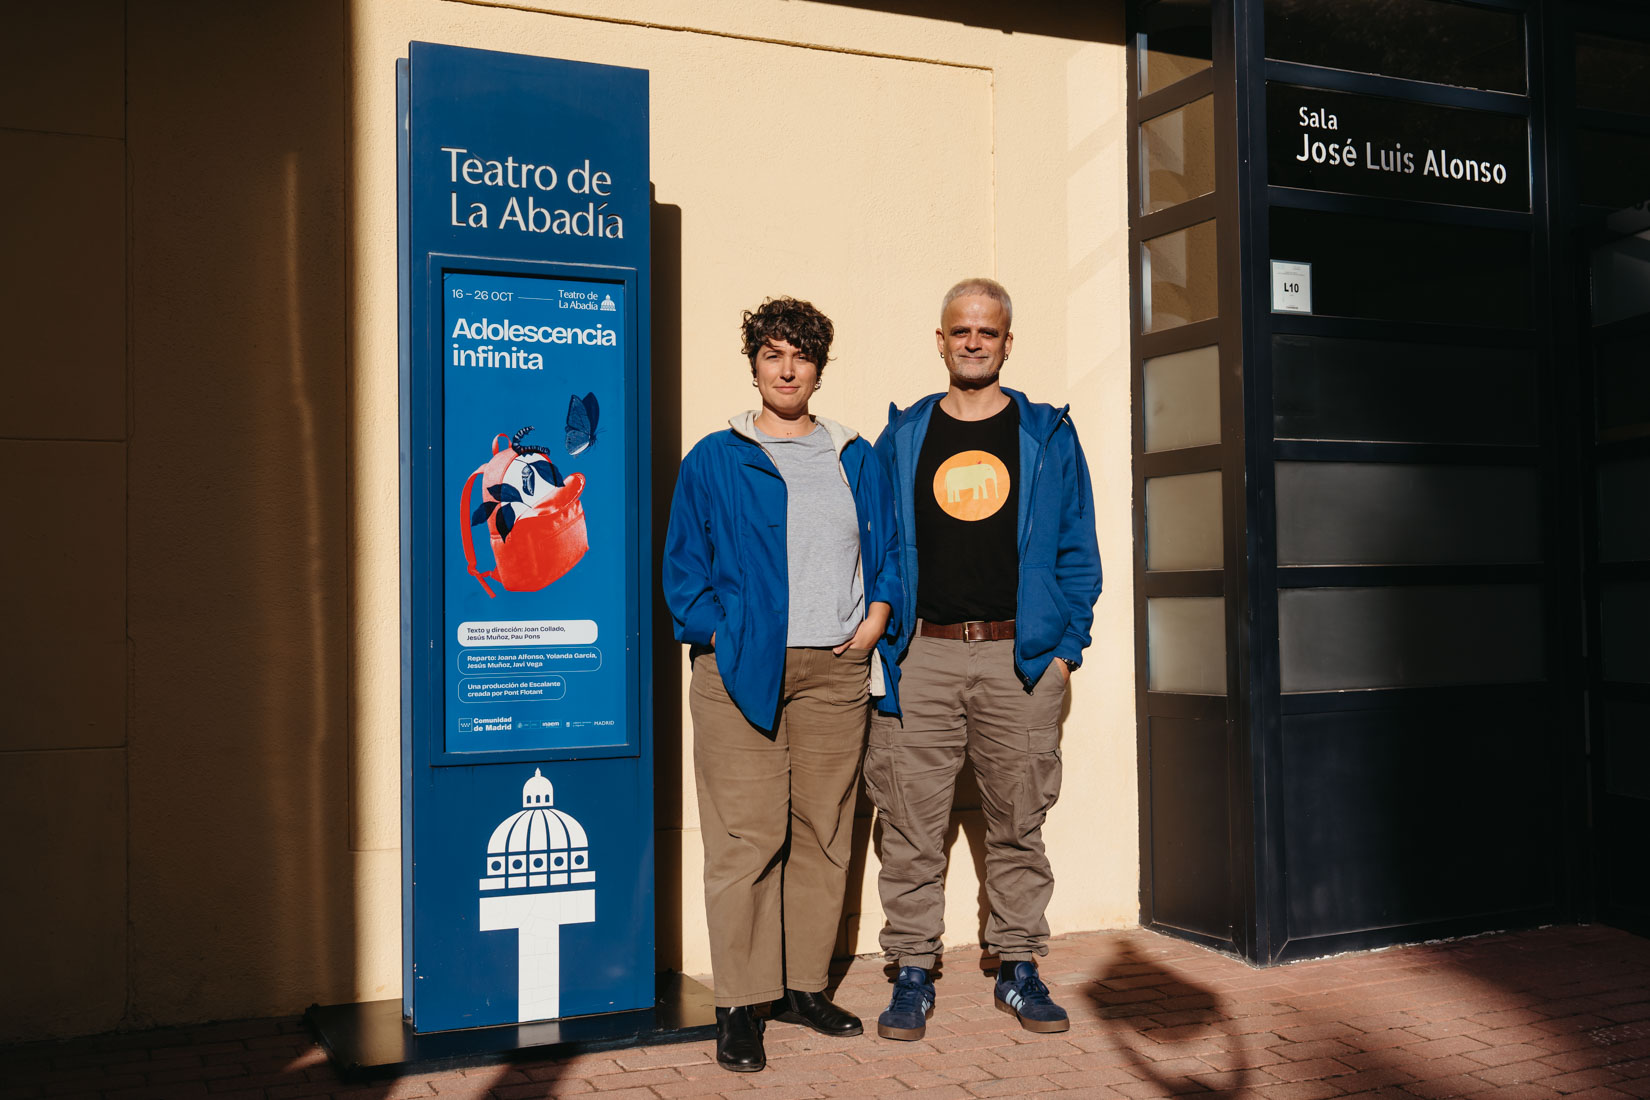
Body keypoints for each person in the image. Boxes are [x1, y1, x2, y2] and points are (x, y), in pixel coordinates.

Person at [663, 296, 902, 1072]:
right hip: (741, 667)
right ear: (754, 364)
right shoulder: (714, 457)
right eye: (773, 353)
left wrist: (876, 618)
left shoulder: (856, 455)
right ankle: (741, 1002)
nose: (788, 367)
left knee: (826, 833)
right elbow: (682, 571)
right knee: (746, 837)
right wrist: (724, 632)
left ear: (820, 368)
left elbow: (890, 547)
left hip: (836, 667)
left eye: (801, 354)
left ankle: (804, 986)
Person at [866, 277, 1101, 1040]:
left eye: (988, 332)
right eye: (960, 331)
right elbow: (872, 547)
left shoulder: (1048, 435)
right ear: (940, 341)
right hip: (923, 656)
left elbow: (1078, 553)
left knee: (1019, 821)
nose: (973, 342)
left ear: (1007, 342)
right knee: (909, 824)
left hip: (1020, 661)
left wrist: (1065, 651)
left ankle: (1020, 967)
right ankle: (911, 971)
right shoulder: (901, 438)